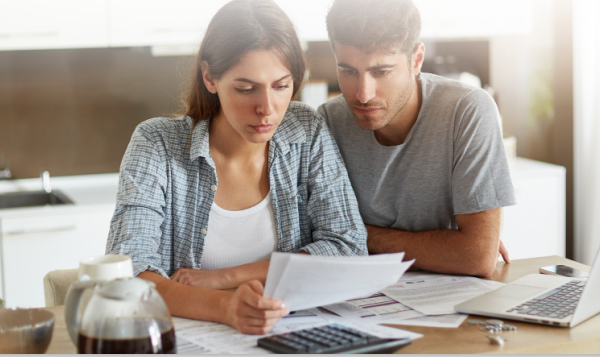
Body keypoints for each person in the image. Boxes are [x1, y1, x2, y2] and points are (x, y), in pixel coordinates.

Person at [106, 0, 367, 335]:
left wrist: (228, 277)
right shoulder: (157, 143)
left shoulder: (306, 130)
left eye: (281, 85)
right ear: (210, 78)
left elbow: (348, 246)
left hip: (288, 334)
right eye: (246, 89)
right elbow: (128, 272)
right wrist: (226, 307)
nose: (267, 109)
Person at [318, 0, 516, 278]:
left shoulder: (467, 110)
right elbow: (311, 237)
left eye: (381, 71)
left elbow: (476, 257)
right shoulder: (328, 120)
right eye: (349, 71)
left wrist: (354, 236)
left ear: (416, 60)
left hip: (448, 295)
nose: (362, 94)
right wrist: (444, 249)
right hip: (359, 295)